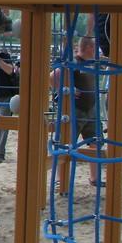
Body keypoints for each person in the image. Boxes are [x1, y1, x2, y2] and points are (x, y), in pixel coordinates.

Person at [51, 36, 104, 185]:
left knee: (96, 142)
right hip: (76, 110)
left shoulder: (92, 63)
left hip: (91, 110)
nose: (95, 51)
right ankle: (60, 179)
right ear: (88, 48)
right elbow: (52, 78)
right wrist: (66, 88)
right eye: (94, 47)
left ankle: (94, 178)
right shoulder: (73, 63)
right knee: (65, 143)